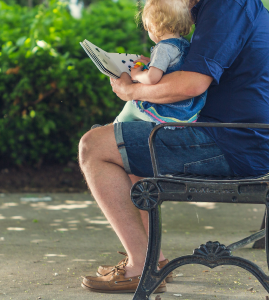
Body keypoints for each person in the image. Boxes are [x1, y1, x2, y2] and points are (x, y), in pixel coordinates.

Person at [79, 0, 269, 294]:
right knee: (126, 141)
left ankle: (141, 264)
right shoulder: (222, 7)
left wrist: (131, 90)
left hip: (233, 143)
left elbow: (191, 85)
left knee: (93, 146)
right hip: (236, 137)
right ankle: (151, 260)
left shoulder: (227, 5)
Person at [116, 0, 207, 124]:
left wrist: (136, 74)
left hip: (170, 111)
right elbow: (171, 68)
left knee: (132, 105)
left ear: (154, 25)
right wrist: (151, 63)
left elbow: (152, 78)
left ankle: (113, 128)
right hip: (188, 110)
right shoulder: (184, 44)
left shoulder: (163, 48)